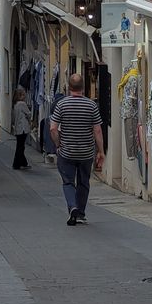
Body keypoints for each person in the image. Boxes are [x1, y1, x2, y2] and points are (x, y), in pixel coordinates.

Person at [49, 73, 105, 226]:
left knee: (68, 182)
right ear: (83, 87)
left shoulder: (61, 104)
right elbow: (97, 130)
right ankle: (80, 213)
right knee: (84, 182)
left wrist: (58, 144)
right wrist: (101, 151)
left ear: (69, 87)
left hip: (67, 151)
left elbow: (53, 128)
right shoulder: (91, 105)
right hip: (86, 152)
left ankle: (72, 206)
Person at [11, 88, 32, 170]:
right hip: (23, 128)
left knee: (20, 146)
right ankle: (16, 164)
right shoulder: (22, 104)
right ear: (20, 96)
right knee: (20, 147)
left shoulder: (15, 104)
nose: (25, 96)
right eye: (23, 95)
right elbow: (29, 113)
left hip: (17, 128)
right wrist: (29, 119)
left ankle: (23, 162)